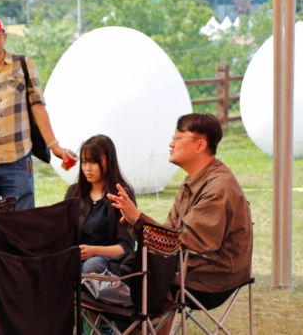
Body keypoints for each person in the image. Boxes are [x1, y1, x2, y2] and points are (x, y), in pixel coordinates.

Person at [108, 113, 253, 308]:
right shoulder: (193, 179)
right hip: (191, 265)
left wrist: (138, 219)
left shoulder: (218, 189)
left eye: (178, 138)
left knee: (132, 269)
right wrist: (134, 221)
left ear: (200, 146)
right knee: (122, 263)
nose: (171, 144)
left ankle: (141, 322)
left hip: (212, 279)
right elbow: (169, 234)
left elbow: (184, 241)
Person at [0, 14, 69, 210]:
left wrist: (54, 146)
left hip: (18, 158)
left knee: (22, 220)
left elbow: (37, 106)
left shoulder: (24, 64)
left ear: (5, 37)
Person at [64, 135, 136, 274]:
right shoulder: (74, 192)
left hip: (108, 262)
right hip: (76, 257)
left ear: (109, 161)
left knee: (93, 264)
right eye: (84, 162)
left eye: (93, 162)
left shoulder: (120, 194)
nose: (87, 168)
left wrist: (94, 251)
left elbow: (126, 247)